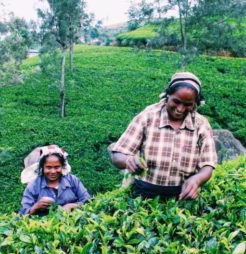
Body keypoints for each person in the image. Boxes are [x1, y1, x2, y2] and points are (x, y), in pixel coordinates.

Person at [111, 72, 217, 200]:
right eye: (176, 101)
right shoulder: (147, 117)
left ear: (195, 103)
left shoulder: (201, 125)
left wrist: (197, 180)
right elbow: (117, 155)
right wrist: (128, 161)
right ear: (167, 95)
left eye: (188, 104)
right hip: (143, 194)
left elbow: (208, 165)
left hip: (182, 196)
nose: (180, 109)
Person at [19, 145, 91, 216]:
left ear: (62, 166)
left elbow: (88, 200)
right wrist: (36, 207)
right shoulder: (33, 185)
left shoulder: (72, 180)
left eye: (57, 167)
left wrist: (72, 205)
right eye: (48, 167)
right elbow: (23, 213)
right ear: (42, 167)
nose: (53, 171)